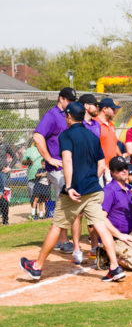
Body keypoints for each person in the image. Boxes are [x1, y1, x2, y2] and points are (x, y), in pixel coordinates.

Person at [20, 102, 126, 282]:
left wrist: (69, 186)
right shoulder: (93, 135)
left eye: (66, 116)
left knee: (57, 225)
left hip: (75, 191)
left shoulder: (66, 135)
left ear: (69, 117)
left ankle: (37, 267)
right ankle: (115, 267)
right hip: (93, 189)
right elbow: (101, 164)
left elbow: (67, 161)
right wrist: (90, 180)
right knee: (100, 225)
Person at [33, 87, 77, 250]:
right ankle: (62, 241)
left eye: (73, 101)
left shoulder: (70, 115)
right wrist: (49, 158)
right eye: (69, 100)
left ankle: (62, 238)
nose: (71, 103)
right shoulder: (52, 115)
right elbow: (38, 136)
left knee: (68, 202)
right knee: (63, 202)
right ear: (61, 99)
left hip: (70, 165)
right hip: (58, 167)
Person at [95, 98, 121, 173]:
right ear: (104, 109)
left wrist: (121, 157)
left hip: (112, 169)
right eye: (113, 109)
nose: (115, 112)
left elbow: (114, 144)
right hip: (100, 169)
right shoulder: (95, 124)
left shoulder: (111, 125)